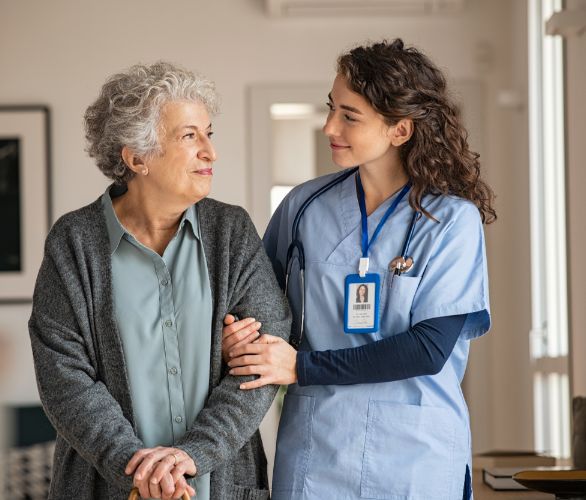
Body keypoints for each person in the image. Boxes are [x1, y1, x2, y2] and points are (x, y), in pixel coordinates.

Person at [222, 39, 495, 499]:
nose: (329, 126)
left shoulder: (450, 221)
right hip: (318, 449)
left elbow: (428, 349)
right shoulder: (302, 207)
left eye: (350, 116)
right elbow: (257, 304)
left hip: (415, 455)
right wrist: (240, 335)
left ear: (400, 130)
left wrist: (301, 367)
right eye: (332, 109)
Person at [28, 62, 290, 500]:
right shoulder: (74, 242)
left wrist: (193, 455)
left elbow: (263, 358)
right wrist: (137, 469)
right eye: (189, 136)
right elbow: (63, 377)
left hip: (220, 485)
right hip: (106, 486)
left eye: (209, 133)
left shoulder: (231, 231)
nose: (210, 152)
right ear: (136, 157)